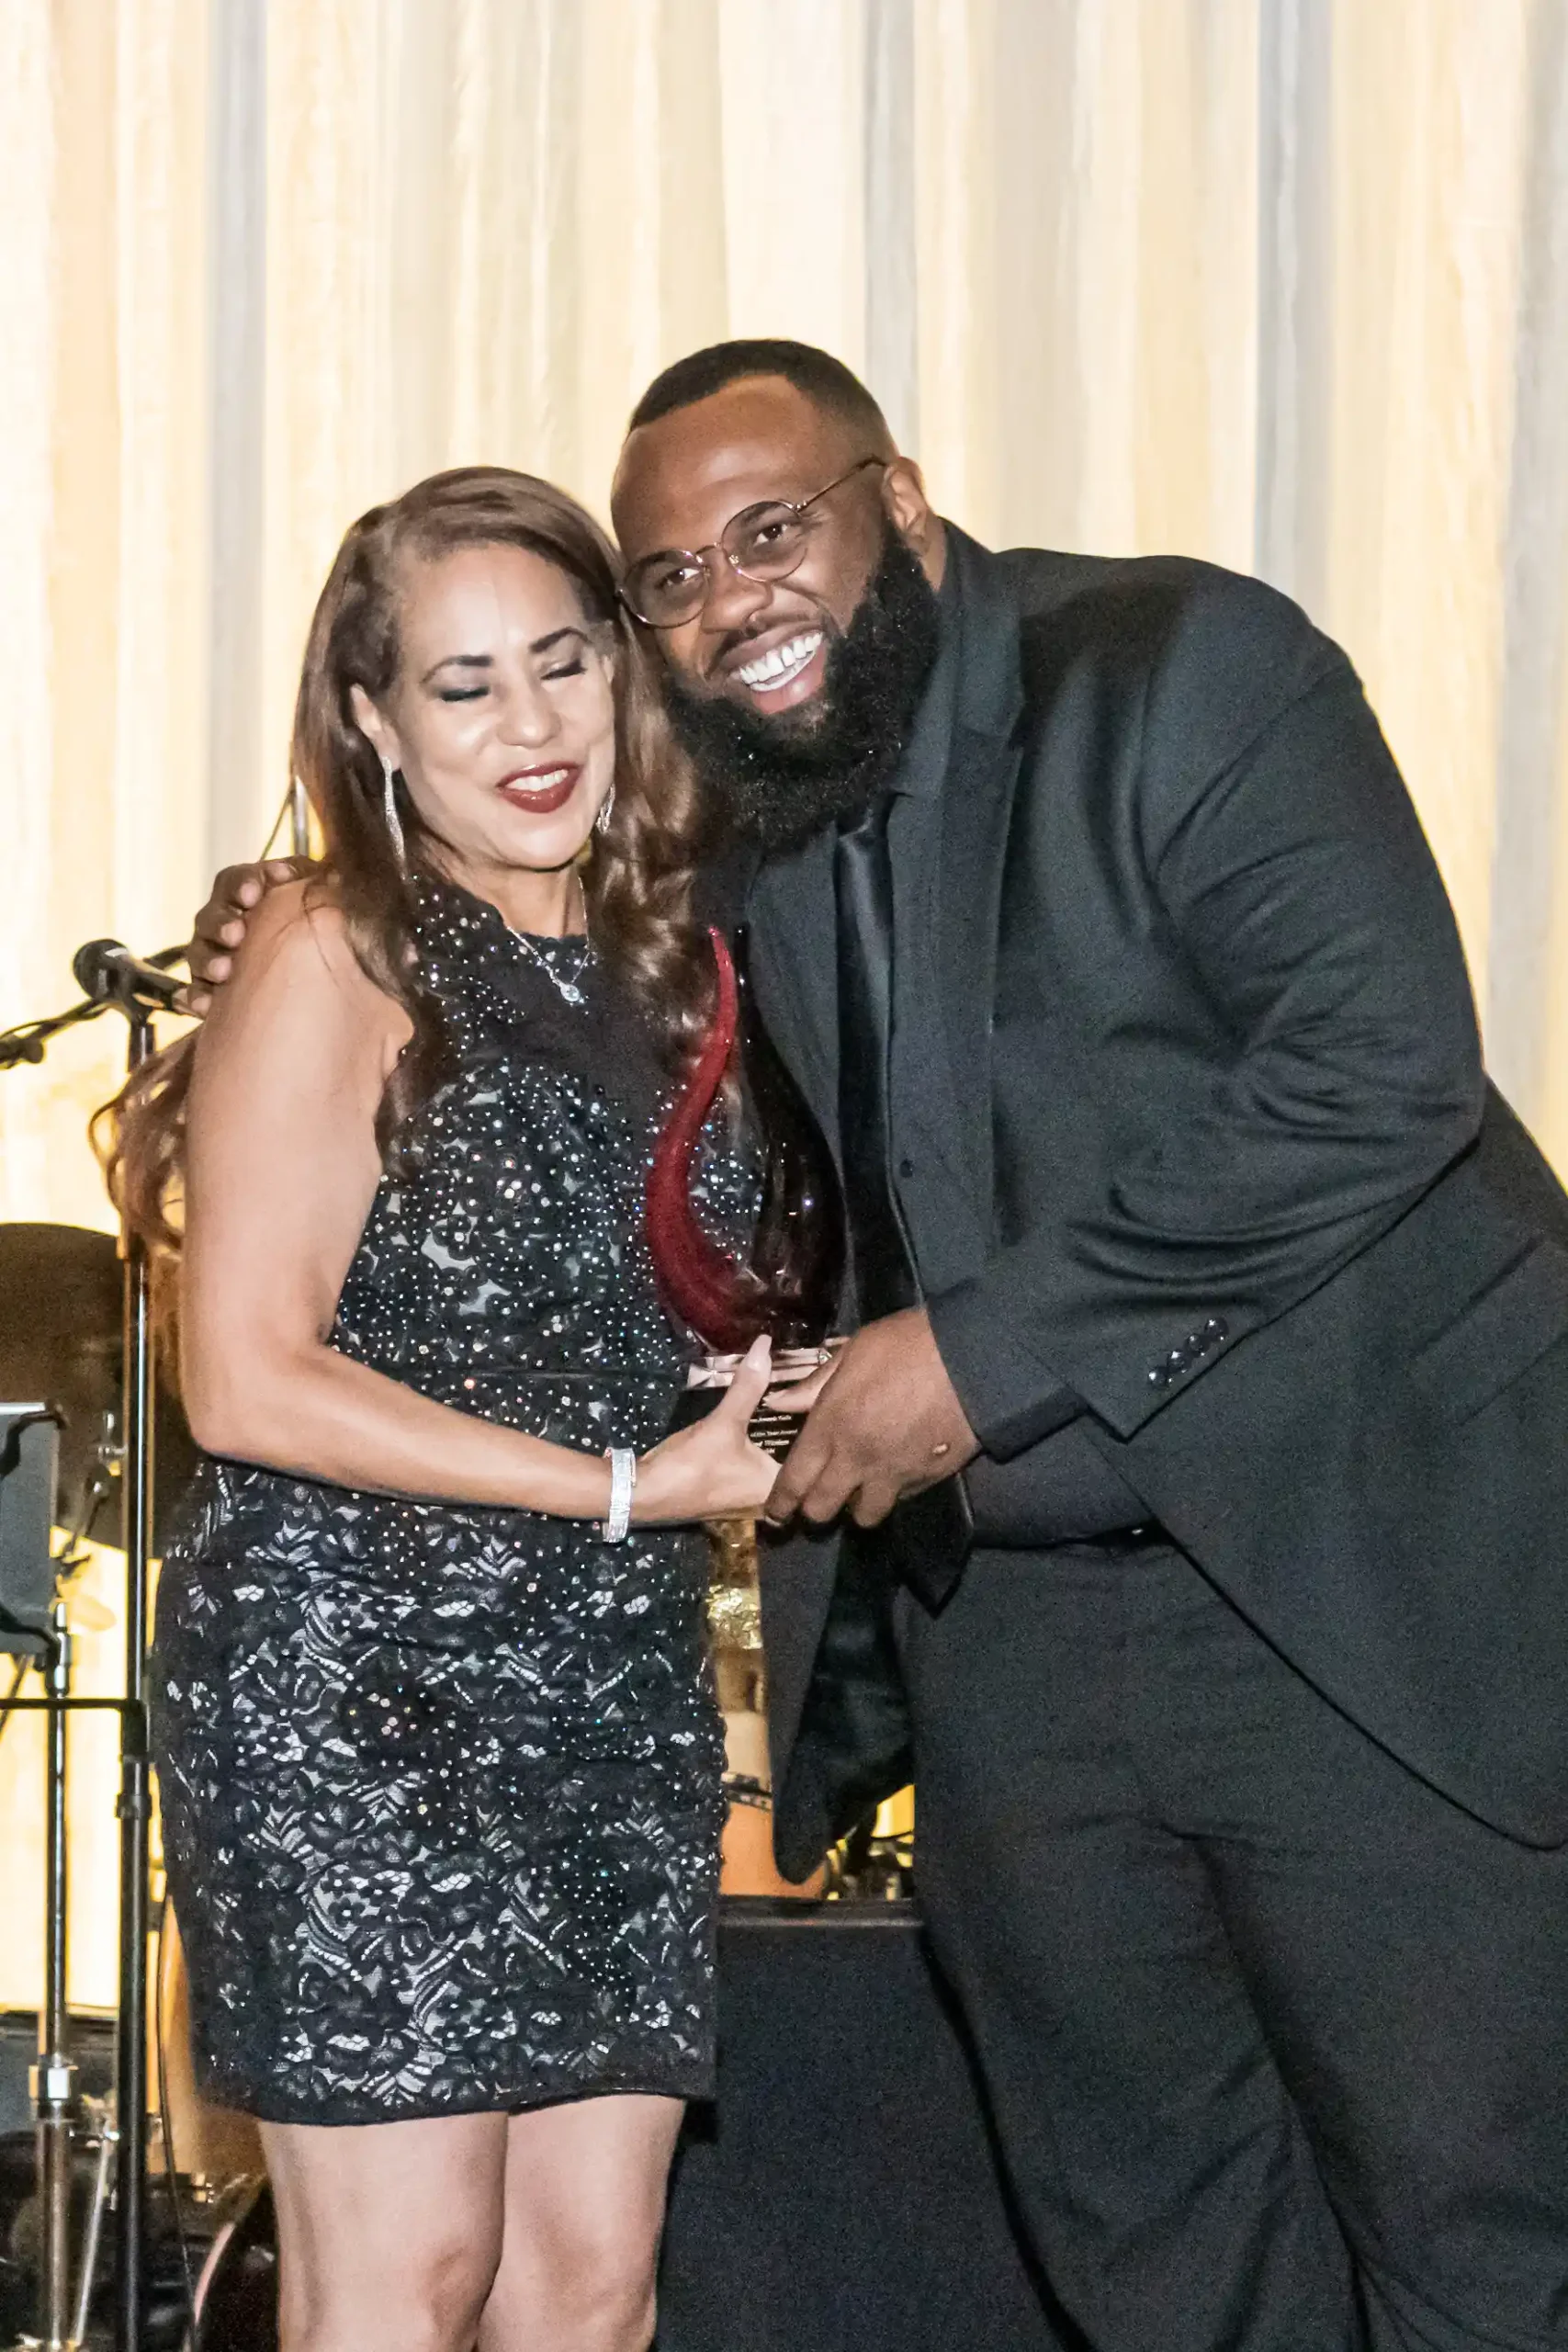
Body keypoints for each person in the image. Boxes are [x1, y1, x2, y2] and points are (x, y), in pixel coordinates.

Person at [188, 345, 1568, 2352]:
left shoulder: (1178, 669)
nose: (726, 601)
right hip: (981, 1642)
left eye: (769, 532)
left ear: (899, 504)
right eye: (669, 578)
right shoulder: (707, 823)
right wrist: (305, 921)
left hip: (1345, 1596)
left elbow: (1380, 1067)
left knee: (1475, 2217)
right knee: (1152, 2243)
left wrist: (969, 1358)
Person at [106, 465, 784, 2352]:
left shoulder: (692, 956)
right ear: (377, 723)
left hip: (614, 1680)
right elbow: (246, 1377)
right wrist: (628, 1482)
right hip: (355, 1688)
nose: (530, 724)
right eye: (463, 685)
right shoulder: (338, 947)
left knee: (589, 2288)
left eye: (562, 661)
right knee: (407, 2283)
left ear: (626, 669)